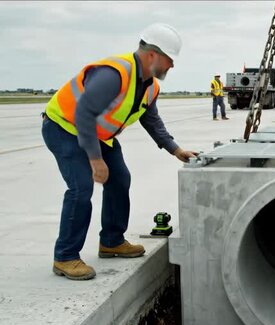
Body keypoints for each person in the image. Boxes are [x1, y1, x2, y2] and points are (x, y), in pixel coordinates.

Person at [41, 23, 198, 281]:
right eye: (170, 60)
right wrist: (95, 159)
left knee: (120, 179)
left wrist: (176, 149)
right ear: (152, 55)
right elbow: (84, 114)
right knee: (81, 187)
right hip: (64, 127)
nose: (172, 66)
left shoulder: (150, 86)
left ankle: (112, 241)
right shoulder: (114, 74)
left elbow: (152, 121)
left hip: (99, 135)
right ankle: (65, 256)